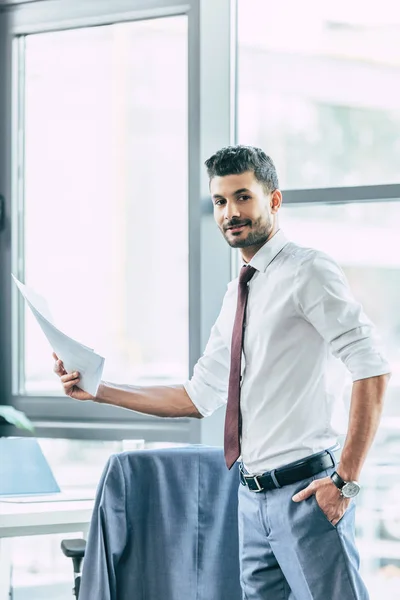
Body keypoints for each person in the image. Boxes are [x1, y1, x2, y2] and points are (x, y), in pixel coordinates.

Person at [53, 145, 391, 599]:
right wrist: (98, 390)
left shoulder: (307, 271)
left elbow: (371, 366)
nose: (231, 212)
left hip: (306, 494)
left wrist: (345, 481)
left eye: (243, 197)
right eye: (220, 201)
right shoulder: (239, 290)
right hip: (250, 498)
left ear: (273, 200)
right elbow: (198, 397)